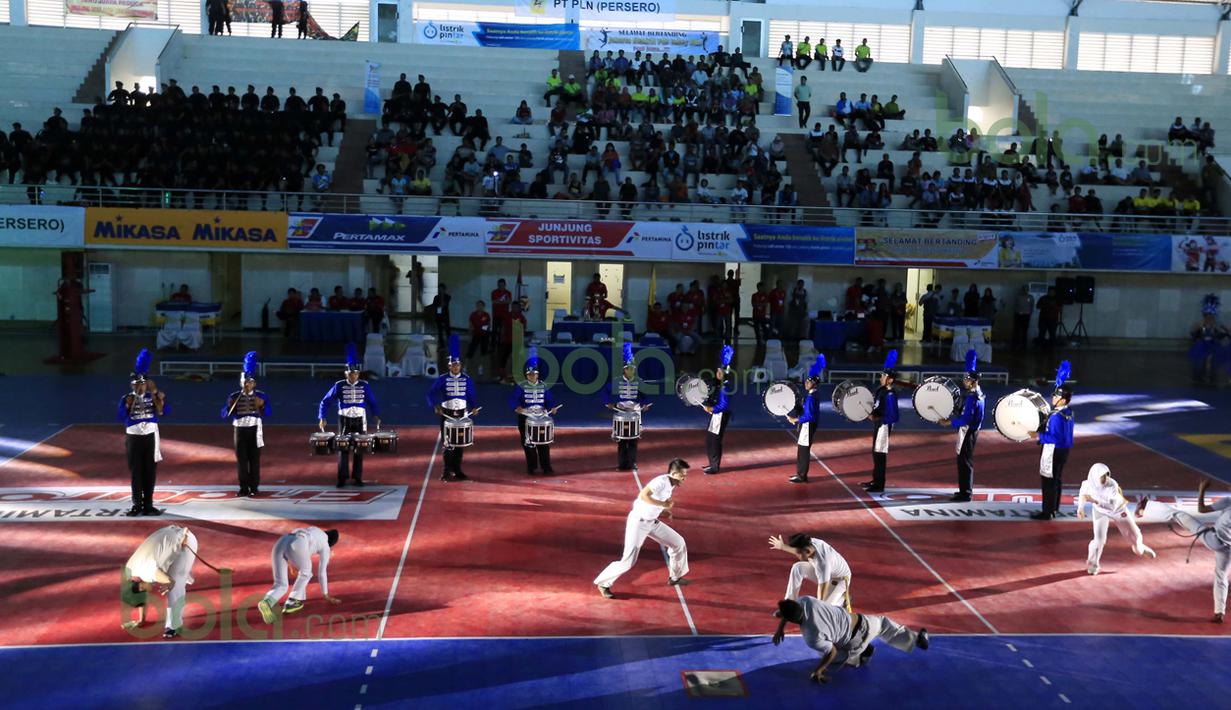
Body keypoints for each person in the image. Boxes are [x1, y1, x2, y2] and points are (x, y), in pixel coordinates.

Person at [593, 458, 692, 598]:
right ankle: (603, 583)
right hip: (638, 523)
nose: (685, 478)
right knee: (628, 561)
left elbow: (655, 502)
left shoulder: (672, 484)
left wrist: (664, 509)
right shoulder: (660, 482)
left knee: (678, 543)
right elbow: (643, 495)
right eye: (683, 475)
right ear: (674, 473)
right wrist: (663, 505)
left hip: (652, 522)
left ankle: (675, 577)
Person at [1137, 478, 1230, 623]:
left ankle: (1146, 506)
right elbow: (1204, 510)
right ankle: (1219, 613)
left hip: (1213, 539)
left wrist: (1202, 490)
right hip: (1227, 549)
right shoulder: (1227, 502)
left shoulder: (1228, 502)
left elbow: (1202, 509)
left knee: (1180, 516)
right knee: (1221, 576)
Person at [317, 345, 380, 488]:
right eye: (351, 374)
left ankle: (357, 477)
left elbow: (372, 401)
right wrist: (322, 417)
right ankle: (342, 477)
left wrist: (375, 414)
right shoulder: (339, 385)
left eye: (356, 373)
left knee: (360, 447)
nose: (353, 376)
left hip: (360, 420)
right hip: (344, 419)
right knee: (343, 447)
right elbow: (325, 401)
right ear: (346, 374)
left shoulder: (365, 385)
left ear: (358, 374)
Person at [1078, 463, 1156, 575]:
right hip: (1100, 511)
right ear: (1094, 476)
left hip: (1118, 510)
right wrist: (1080, 508)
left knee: (1136, 537)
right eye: (1102, 476)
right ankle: (1093, 564)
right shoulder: (1087, 484)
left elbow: (1112, 506)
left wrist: (1094, 501)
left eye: (1106, 475)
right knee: (1099, 540)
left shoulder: (1112, 485)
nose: (1105, 478)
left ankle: (1141, 549)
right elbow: (1083, 494)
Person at [124, 525, 198, 638]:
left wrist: (169, 584)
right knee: (172, 572)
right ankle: (184, 573)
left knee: (175, 587)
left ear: (142, 587)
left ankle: (174, 626)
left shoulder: (149, 573)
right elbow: (139, 594)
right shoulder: (130, 570)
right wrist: (141, 620)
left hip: (186, 541)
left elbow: (170, 581)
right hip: (168, 536)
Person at [118, 350, 168, 517]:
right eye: (136, 384)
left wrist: (159, 398)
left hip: (150, 437)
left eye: (143, 384)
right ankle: (136, 504)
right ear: (132, 385)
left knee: (150, 471)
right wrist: (127, 406)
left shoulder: (153, 397)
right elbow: (122, 417)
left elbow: (163, 412)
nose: (140, 387)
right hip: (133, 437)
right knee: (136, 471)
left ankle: (149, 504)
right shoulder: (126, 398)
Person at [256, 527, 340, 623]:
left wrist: (292, 565)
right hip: (298, 544)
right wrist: (326, 594)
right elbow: (322, 572)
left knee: (281, 584)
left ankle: (267, 602)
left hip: (282, 541)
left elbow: (295, 544)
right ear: (331, 543)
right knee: (306, 573)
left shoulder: (315, 530)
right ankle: (293, 601)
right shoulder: (325, 546)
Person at [1025, 362, 1075, 520]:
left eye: (1056, 396)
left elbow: (1055, 437)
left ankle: (1047, 511)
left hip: (1054, 450)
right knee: (1057, 480)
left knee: (1048, 480)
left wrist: (1038, 436)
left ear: (1063, 399)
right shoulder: (1068, 412)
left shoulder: (1057, 416)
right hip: (1064, 451)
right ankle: (1054, 508)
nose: (1053, 398)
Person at [428, 335, 479, 482]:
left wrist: (474, 407)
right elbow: (430, 394)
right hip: (447, 414)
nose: (456, 367)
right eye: (453, 365)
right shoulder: (443, 378)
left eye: (458, 365)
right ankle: (446, 471)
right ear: (449, 366)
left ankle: (457, 470)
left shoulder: (467, 379)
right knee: (448, 444)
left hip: (462, 414)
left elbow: (471, 395)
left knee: (460, 444)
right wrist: (435, 406)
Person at [939, 350, 984, 503]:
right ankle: (963, 490)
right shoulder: (976, 393)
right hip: (970, 431)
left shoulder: (972, 398)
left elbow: (966, 419)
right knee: (963, 461)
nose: (964, 381)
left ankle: (966, 493)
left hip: (968, 432)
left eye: (967, 379)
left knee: (964, 461)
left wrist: (949, 422)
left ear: (973, 381)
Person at [223, 353, 269, 498]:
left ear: (254, 383)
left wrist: (262, 406)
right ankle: (243, 487)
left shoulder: (261, 395)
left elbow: (267, 413)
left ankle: (254, 487)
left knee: (254, 459)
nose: (247, 385)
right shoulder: (234, 396)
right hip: (240, 429)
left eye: (249, 382)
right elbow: (224, 414)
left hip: (255, 429)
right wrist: (229, 407)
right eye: (245, 382)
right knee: (242, 460)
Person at [769, 533, 852, 609]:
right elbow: (800, 550)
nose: (796, 555)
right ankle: (789, 604)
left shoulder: (823, 562)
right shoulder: (809, 543)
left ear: (807, 551)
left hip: (840, 580)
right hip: (828, 572)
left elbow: (822, 588)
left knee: (823, 609)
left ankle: (840, 600)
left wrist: (817, 607)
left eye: (798, 553)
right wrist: (782, 546)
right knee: (797, 568)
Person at [512, 347, 559, 476]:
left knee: (543, 443)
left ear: (538, 375)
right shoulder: (521, 386)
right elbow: (514, 400)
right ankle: (531, 467)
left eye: (535, 374)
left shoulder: (543, 386)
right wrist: (518, 407)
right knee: (528, 443)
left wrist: (552, 408)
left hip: (541, 417)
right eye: (530, 375)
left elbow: (549, 400)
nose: (532, 376)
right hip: (526, 418)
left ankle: (546, 467)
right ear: (527, 375)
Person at [606, 343, 652, 471]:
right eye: (629, 369)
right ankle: (622, 464)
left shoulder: (638, 381)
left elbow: (645, 395)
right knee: (621, 440)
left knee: (633, 440)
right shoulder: (616, 381)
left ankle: (632, 463)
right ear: (624, 370)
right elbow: (606, 392)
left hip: (635, 412)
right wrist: (608, 402)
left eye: (633, 369)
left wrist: (645, 404)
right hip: (621, 412)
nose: (631, 371)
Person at [861, 351, 900, 494]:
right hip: (879, 424)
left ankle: (879, 484)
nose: (881, 377)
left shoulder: (890, 394)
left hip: (884, 426)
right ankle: (875, 479)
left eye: (884, 376)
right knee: (875, 452)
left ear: (890, 380)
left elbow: (891, 415)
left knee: (880, 453)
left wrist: (875, 417)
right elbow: (878, 407)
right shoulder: (881, 390)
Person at [788, 355, 825, 484]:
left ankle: (802, 475)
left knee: (803, 450)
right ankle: (800, 473)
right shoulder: (812, 395)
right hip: (809, 425)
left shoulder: (811, 397)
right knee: (802, 448)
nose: (806, 383)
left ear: (814, 383)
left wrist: (796, 419)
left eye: (808, 381)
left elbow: (809, 415)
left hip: (808, 425)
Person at [702, 346, 734, 475]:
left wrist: (712, 409)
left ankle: (714, 466)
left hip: (720, 414)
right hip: (717, 414)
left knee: (714, 439)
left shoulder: (725, 386)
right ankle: (712, 463)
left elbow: (724, 405)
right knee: (710, 438)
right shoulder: (720, 383)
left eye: (719, 371)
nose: (717, 373)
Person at [1011, 285, 1034, 351]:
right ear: (1022, 289)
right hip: (1018, 315)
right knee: (1017, 330)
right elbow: (1014, 305)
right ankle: (1015, 344)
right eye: (1024, 289)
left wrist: (1029, 313)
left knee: (1025, 330)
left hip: (1026, 316)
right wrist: (1017, 312)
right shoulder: (1018, 296)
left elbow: (1032, 306)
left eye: (1027, 289)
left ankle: (1024, 345)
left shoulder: (1030, 297)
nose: (1025, 290)